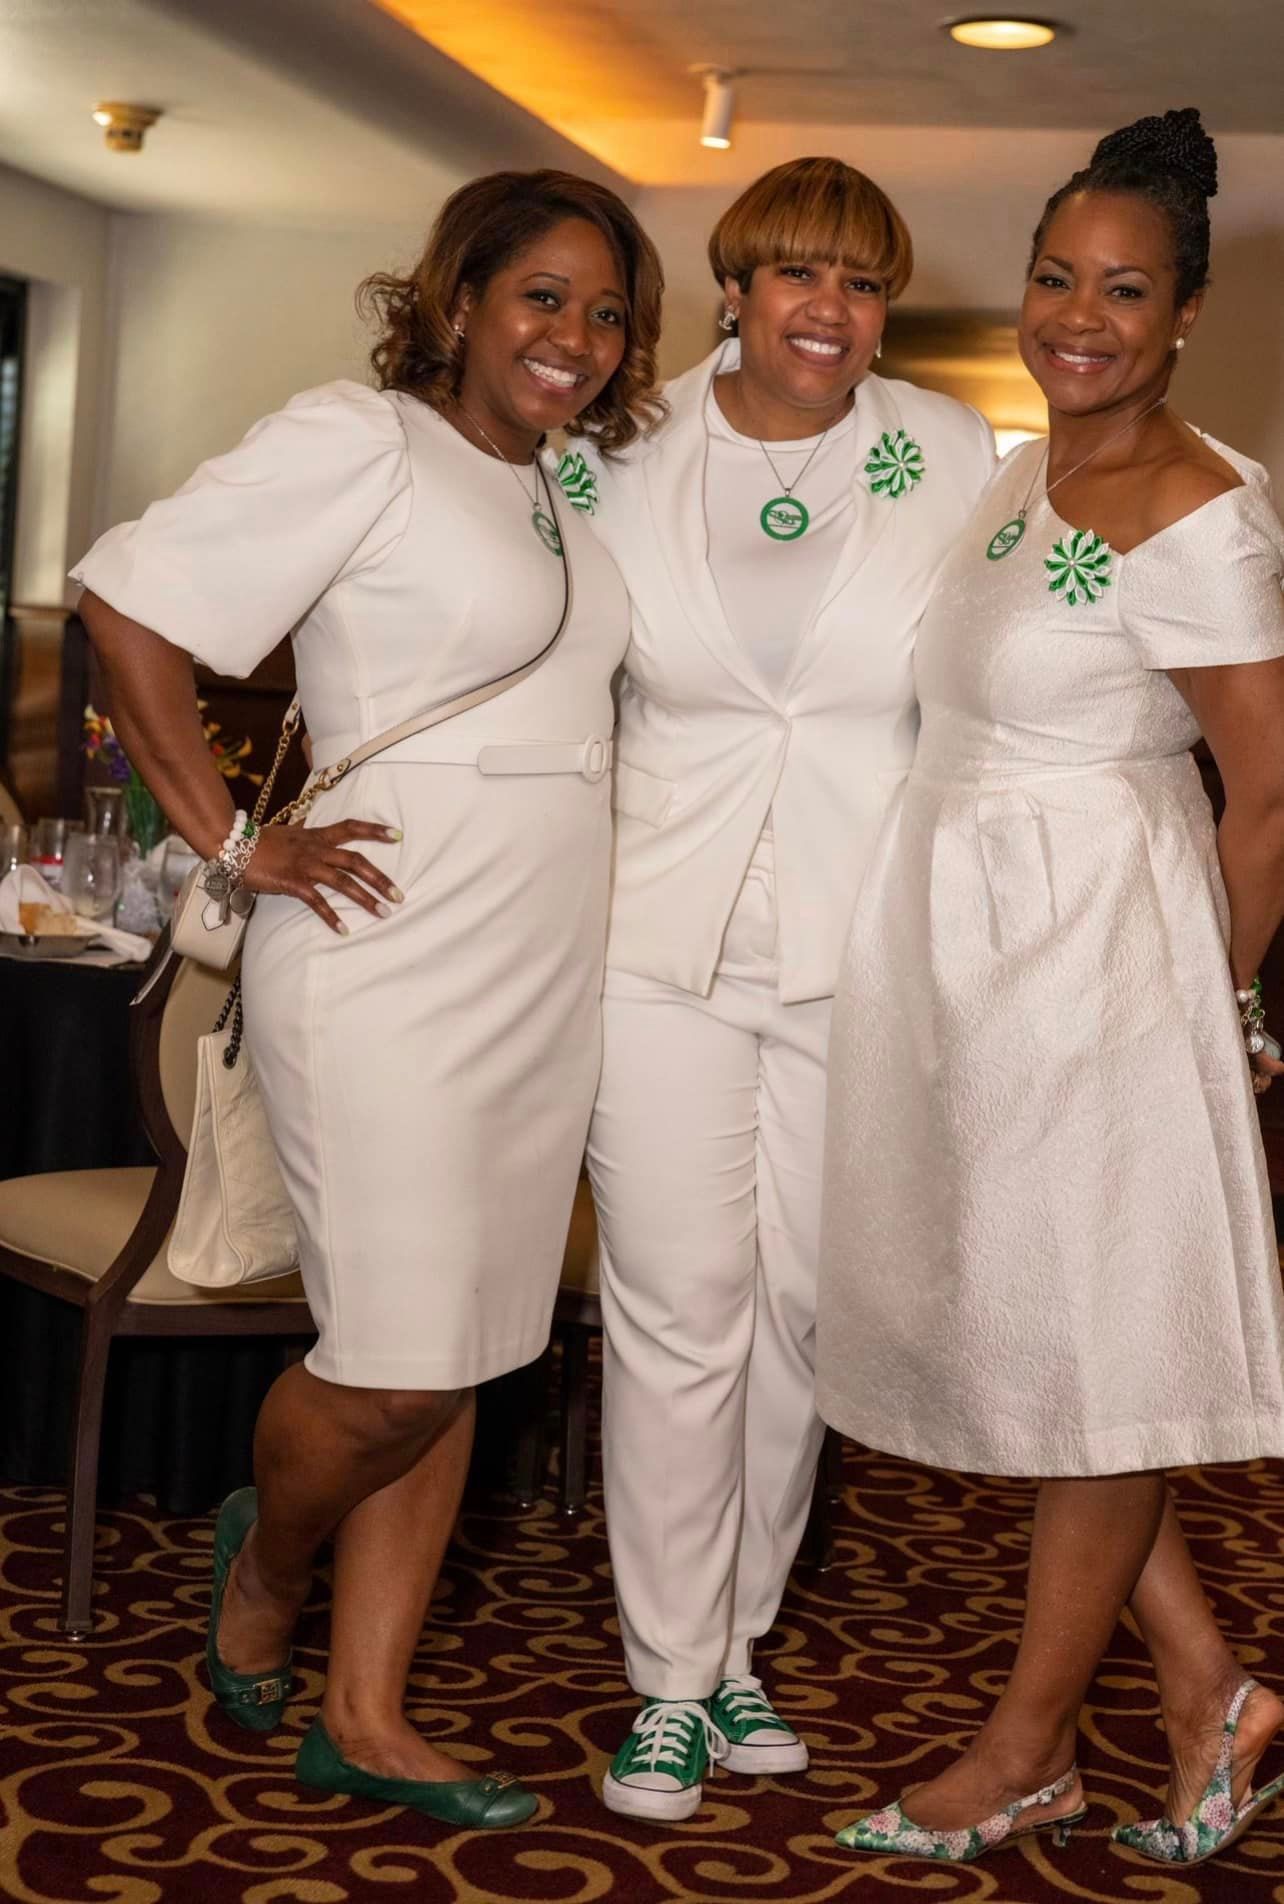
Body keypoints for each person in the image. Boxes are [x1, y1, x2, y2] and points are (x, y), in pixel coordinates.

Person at [73, 170, 663, 1830]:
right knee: (398, 1360)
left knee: (469, 1347)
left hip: (545, 958)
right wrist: (233, 840)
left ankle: (370, 1712)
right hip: (384, 948)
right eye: (543, 296)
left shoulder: (564, 489)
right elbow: (125, 602)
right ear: (459, 298)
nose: (577, 338)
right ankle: (265, 1569)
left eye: (607, 312)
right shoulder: (360, 438)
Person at [817, 108, 1284, 1868]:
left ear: (1182, 319)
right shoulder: (1029, 468)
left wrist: (1210, 1014)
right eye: (1054, 277)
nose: (1080, 314)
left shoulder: (1199, 508)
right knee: (1048, 1350)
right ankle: (1206, 1689)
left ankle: (1026, 1747)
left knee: (1086, 1357)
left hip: (1105, 966)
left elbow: (1272, 787)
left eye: (1126, 290)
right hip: (980, 964)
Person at [580, 155, 996, 1821]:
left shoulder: (953, 453)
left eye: (863, 281)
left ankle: (739, 1644)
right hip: (653, 946)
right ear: (735, 286)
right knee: (681, 1306)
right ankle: (671, 1681)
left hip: (861, 952)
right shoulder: (623, 448)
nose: (830, 310)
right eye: (797, 274)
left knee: (807, 1317)